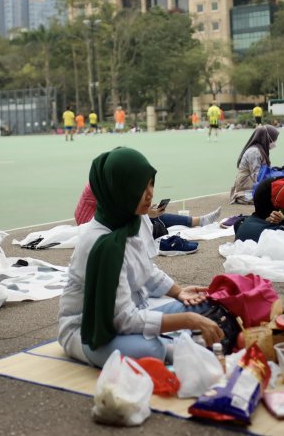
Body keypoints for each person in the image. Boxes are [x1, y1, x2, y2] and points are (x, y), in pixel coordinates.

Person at [57, 147, 223, 367]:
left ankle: (178, 345)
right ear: (120, 191)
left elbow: (146, 268)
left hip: (133, 312)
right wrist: (186, 320)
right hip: (88, 329)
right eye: (140, 188)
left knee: (206, 306)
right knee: (149, 350)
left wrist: (179, 292)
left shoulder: (130, 221)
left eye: (151, 184)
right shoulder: (98, 244)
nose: (150, 194)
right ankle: (176, 350)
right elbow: (121, 319)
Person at [75, 183, 221, 241]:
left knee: (148, 215)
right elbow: (118, 211)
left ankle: (197, 221)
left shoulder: (105, 180)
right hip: (89, 222)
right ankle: (198, 221)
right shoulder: (103, 185)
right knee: (144, 217)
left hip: (96, 218)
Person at [229, 125, 279, 204]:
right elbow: (257, 175)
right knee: (269, 196)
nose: (275, 142)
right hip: (245, 183)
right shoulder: (254, 151)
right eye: (275, 139)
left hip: (252, 180)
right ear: (268, 138)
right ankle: (242, 196)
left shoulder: (261, 150)